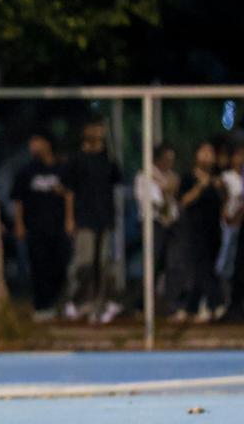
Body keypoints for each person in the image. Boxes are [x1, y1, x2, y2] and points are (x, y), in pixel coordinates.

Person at [60, 119, 123, 323]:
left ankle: (99, 304)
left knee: (102, 264)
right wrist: (69, 218)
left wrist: (111, 155)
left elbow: (117, 179)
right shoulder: (77, 159)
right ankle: (76, 301)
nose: (98, 132)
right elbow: (69, 190)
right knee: (83, 263)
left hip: (104, 218)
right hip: (84, 217)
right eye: (94, 128)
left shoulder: (107, 158)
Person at [11, 131, 69, 321]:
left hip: (58, 226)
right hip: (35, 227)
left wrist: (70, 219)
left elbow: (71, 194)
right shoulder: (26, 171)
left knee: (59, 266)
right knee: (39, 267)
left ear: (47, 143)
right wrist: (19, 224)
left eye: (36, 141)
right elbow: (18, 199)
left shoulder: (61, 169)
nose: (32, 146)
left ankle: (57, 302)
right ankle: (42, 306)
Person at [168, 141, 224, 322]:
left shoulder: (218, 178)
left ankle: (191, 307)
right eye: (203, 152)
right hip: (194, 230)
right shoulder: (188, 178)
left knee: (207, 268)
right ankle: (216, 302)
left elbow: (223, 202)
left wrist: (218, 186)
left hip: (213, 230)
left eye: (210, 153)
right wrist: (200, 186)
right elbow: (183, 201)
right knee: (201, 268)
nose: (207, 156)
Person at [133, 143, 180, 311]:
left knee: (170, 263)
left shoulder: (172, 177)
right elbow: (150, 202)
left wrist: (169, 189)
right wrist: (164, 189)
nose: (169, 163)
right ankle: (143, 302)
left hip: (171, 224)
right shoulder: (144, 176)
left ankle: (168, 301)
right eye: (166, 159)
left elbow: (173, 202)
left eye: (172, 160)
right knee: (152, 263)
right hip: (153, 224)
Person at [216, 144, 244, 319]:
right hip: (230, 225)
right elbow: (224, 202)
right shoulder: (226, 177)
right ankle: (227, 301)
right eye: (238, 155)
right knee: (225, 264)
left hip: (241, 225)